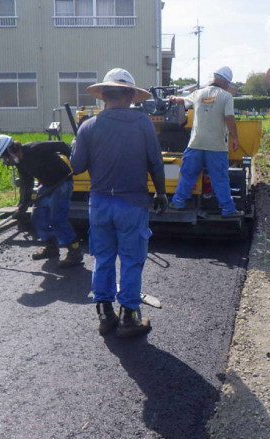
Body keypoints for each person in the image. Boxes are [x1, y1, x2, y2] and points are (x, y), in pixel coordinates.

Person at [70, 68, 168, 338]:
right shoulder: (142, 123)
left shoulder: (88, 126)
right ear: (129, 95)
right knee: (131, 260)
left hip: (99, 203)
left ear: (104, 96)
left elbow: (76, 166)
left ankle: (105, 315)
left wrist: (75, 144)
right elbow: (155, 164)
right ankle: (129, 318)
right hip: (132, 203)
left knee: (103, 258)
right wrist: (161, 193)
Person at [0, 135, 83, 267]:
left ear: (10, 150)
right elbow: (26, 184)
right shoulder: (20, 163)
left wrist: (76, 164)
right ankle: (51, 247)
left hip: (62, 183)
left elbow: (63, 146)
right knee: (38, 217)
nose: (6, 161)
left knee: (57, 219)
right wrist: (22, 206)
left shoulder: (35, 148)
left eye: (5, 157)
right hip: (46, 186)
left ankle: (75, 252)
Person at [167, 66, 243, 217]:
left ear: (214, 78)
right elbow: (229, 118)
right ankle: (228, 210)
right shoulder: (226, 97)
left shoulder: (198, 94)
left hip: (195, 144)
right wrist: (235, 138)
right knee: (220, 179)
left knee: (187, 175)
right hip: (216, 147)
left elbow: (183, 101)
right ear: (225, 82)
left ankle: (177, 202)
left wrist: (173, 99)